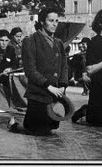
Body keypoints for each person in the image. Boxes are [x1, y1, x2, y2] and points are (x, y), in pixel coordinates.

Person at [8, 7, 69, 135]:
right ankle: (14, 125)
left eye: (56, 21)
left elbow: (64, 66)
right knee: (36, 130)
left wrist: (63, 84)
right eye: (51, 20)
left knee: (50, 129)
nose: (54, 24)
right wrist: (48, 86)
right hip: (38, 94)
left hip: (54, 95)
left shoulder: (58, 43)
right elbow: (30, 70)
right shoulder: (30, 41)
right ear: (42, 21)